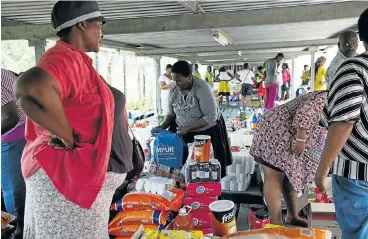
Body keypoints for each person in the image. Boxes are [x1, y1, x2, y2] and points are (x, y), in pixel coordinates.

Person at [13, 1, 131, 238]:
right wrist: (66, 136)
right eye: (100, 24)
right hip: (64, 185)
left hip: (74, 187)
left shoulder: (76, 60)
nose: (102, 32)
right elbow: (29, 87)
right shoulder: (64, 58)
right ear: (83, 24)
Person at [316, 8, 368, 239]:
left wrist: (323, 167)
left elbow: (344, 120)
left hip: (357, 172)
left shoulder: (354, 69)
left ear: (362, 38)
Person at [250, 91, 327, 227]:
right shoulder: (329, 96)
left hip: (291, 134)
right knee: (274, 177)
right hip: (276, 129)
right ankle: (276, 224)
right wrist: (301, 139)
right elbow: (305, 112)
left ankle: (292, 216)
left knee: (289, 176)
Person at [153, 61, 232, 176]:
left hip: (205, 133)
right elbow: (171, 113)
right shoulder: (174, 88)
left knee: (204, 170)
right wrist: (163, 126)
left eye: (179, 80)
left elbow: (210, 117)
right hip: (183, 131)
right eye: (174, 80)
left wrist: (188, 127)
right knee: (182, 169)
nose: (176, 83)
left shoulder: (202, 88)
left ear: (189, 77)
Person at [1, 69, 27, 238]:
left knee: (13, 189)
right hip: (21, 135)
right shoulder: (4, 73)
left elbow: (11, 117)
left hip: (12, 138)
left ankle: (19, 230)